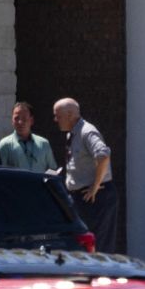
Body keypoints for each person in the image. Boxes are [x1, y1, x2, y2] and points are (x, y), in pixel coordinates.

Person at [53, 98, 119, 254]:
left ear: (70, 115)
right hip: (81, 198)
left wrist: (95, 186)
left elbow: (103, 155)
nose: (55, 120)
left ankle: (101, 276)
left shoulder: (86, 131)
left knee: (98, 246)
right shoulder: (72, 133)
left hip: (96, 198)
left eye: (58, 116)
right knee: (82, 245)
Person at [0, 101, 58, 172]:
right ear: (12, 120)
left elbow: (52, 170)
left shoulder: (44, 144)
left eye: (24, 118)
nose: (20, 122)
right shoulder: (5, 145)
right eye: (16, 118)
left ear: (31, 120)